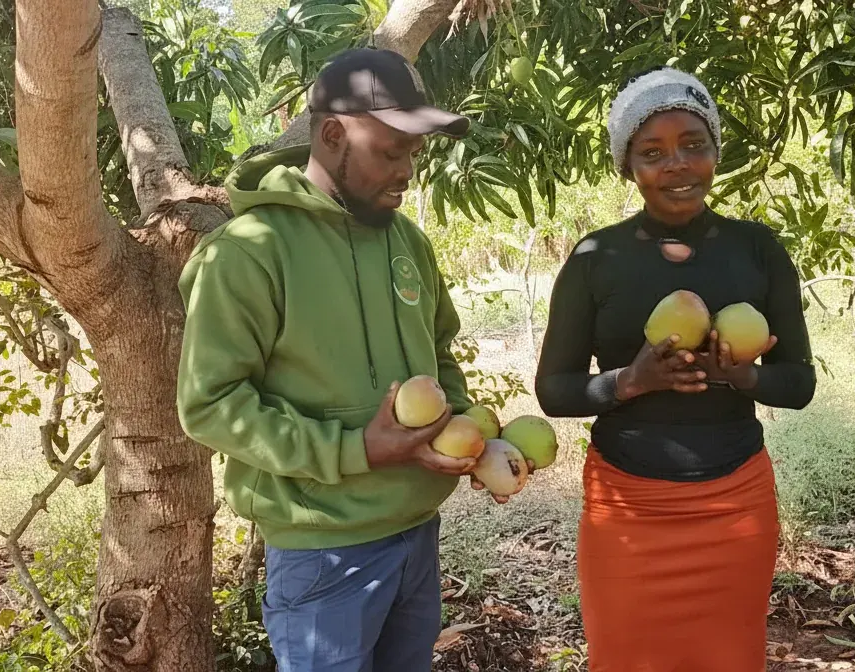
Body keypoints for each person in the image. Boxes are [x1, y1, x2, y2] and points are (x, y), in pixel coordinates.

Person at [176, 47, 479, 671]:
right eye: (391, 151)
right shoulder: (249, 252)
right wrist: (356, 450)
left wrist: (471, 433)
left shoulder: (407, 241)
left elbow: (440, 353)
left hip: (417, 535)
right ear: (333, 133)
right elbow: (210, 405)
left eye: (413, 154)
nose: (407, 173)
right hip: (325, 556)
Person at [534, 66, 817, 671]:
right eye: (653, 152)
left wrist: (744, 377)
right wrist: (630, 382)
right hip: (626, 508)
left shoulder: (757, 250)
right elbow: (553, 391)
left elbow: (799, 383)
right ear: (627, 165)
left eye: (694, 145)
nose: (677, 165)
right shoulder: (595, 258)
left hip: (734, 504)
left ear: (716, 151)